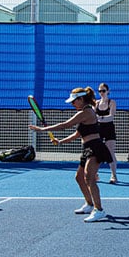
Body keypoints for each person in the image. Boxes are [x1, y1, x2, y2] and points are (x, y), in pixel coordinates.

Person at [30, 87, 111, 222]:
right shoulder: (83, 113)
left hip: (96, 148)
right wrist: (60, 142)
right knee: (79, 178)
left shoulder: (87, 111)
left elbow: (64, 125)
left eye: (74, 101)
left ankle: (99, 210)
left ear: (81, 99)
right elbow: (77, 134)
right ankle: (90, 204)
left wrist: (42, 129)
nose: (73, 104)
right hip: (87, 149)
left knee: (89, 178)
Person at [96, 83, 118, 183]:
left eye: (103, 91)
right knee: (96, 152)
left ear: (108, 91)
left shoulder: (112, 102)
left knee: (110, 151)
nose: (102, 93)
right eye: (100, 91)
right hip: (98, 130)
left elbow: (111, 117)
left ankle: (114, 176)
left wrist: (100, 118)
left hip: (109, 129)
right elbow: (93, 117)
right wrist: (100, 119)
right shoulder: (95, 103)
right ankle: (95, 174)